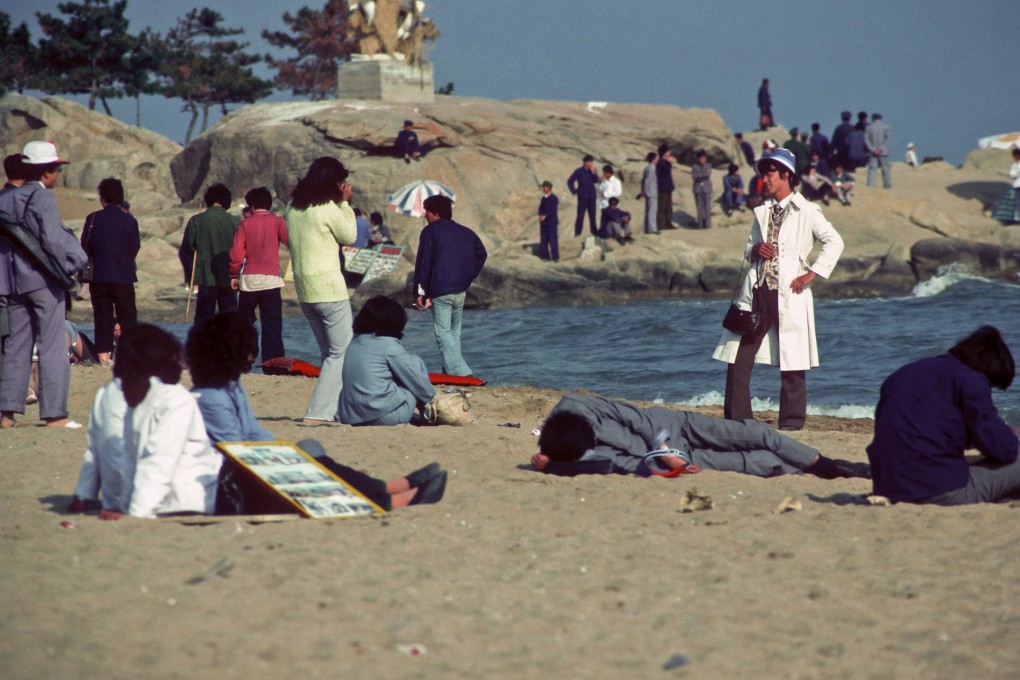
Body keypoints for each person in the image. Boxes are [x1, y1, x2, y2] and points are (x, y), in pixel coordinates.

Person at [186, 312, 446, 509]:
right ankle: (395, 495)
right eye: (247, 350)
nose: (252, 356)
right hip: (233, 486)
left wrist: (289, 454)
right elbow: (240, 452)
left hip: (245, 468)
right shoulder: (210, 399)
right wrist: (291, 462)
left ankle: (386, 488)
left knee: (310, 450)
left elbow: (254, 434)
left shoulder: (228, 386)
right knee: (310, 461)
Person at [713, 148, 844, 431]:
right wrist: (756, 249)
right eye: (762, 174)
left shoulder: (807, 211)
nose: (764, 179)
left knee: (793, 360)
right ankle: (738, 420)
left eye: (769, 173)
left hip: (789, 293)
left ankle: (792, 422)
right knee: (738, 356)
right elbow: (748, 248)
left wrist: (812, 274)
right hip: (757, 291)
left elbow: (834, 242)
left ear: (787, 175)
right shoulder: (761, 212)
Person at [530, 394, 869, 479]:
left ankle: (825, 464)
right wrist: (671, 468)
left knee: (754, 433)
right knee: (756, 465)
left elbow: (634, 419)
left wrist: (665, 450)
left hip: (672, 428)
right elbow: (614, 467)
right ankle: (805, 468)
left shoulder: (576, 405)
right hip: (668, 460)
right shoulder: (568, 452)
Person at [866, 326, 1020, 505]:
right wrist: (1012, 437)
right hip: (938, 491)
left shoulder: (905, 373)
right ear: (989, 369)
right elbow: (1004, 451)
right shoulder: (971, 379)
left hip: (888, 486)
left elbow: (928, 429)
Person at [0, 141, 87, 429]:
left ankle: (6, 415)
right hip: (42, 281)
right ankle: (55, 415)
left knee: (15, 346)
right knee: (51, 345)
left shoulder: (5, 199)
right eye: (56, 169)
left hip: (11, 283)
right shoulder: (43, 198)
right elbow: (52, 241)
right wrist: (73, 265)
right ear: (48, 171)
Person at [95, 324, 221, 519]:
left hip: (186, 501)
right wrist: (122, 505)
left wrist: (135, 513)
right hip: (154, 498)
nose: (124, 386)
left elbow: (159, 462)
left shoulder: (177, 401)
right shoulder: (133, 397)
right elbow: (129, 462)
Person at [286, 156, 358, 424]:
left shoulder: (293, 208)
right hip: (329, 289)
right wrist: (345, 204)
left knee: (329, 353)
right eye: (341, 181)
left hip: (305, 291)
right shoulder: (329, 208)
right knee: (340, 353)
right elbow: (350, 236)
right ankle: (319, 412)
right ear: (334, 183)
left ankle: (335, 409)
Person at [413, 194, 487, 377]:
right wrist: (469, 276)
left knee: (443, 333)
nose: (425, 216)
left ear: (436, 212)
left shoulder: (429, 232)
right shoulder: (466, 232)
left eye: (427, 211)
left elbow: (424, 263)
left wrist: (420, 292)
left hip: (441, 292)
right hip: (461, 290)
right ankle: (450, 373)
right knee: (454, 334)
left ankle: (463, 372)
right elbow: (482, 254)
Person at [338, 296, 436, 426]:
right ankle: (427, 412)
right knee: (415, 363)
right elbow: (415, 379)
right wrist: (431, 399)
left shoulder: (353, 343)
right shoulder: (388, 345)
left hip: (352, 416)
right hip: (384, 417)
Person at [81, 177, 139, 366]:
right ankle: (128, 357)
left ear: (102, 198)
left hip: (99, 278)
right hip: (123, 277)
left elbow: (85, 247)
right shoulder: (129, 221)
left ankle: (104, 359)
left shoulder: (93, 218)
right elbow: (134, 248)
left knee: (102, 318)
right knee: (128, 318)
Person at [229, 186, 289, 362]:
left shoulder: (245, 224)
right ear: (269, 205)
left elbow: (237, 254)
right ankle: (273, 361)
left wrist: (233, 275)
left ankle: (245, 357)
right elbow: (289, 241)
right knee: (272, 326)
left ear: (252, 206)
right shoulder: (277, 222)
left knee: (245, 324)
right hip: (271, 281)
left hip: (249, 281)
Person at [178, 182, 240, 324]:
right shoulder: (235, 221)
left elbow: (186, 248)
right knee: (231, 322)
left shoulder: (196, 220)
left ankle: (203, 346)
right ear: (226, 200)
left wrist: (190, 276)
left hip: (206, 278)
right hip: (229, 279)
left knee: (204, 322)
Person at [567, 154, 599, 236]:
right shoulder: (579, 171)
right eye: (589, 162)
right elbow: (570, 181)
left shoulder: (592, 171)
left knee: (592, 215)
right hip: (582, 197)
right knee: (580, 215)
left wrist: (593, 173)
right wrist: (575, 191)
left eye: (592, 161)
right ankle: (577, 233)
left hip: (592, 196)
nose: (591, 163)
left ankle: (594, 232)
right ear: (585, 162)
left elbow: (596, 180)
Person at [865, 113, 892, 188]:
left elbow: (866, 140)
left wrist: (873, 149)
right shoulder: (885, 126)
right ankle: (887, 185)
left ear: (873, 118)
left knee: (872, 169)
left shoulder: (869, 127)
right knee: (885, 169)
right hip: (883, 152)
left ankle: (870, 185)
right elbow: (887, 139)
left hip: (873, 152)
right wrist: (880, 149)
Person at [537, 180, 559, 262]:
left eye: (544, 187)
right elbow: (540, 208)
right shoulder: (543, 198)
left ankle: (555, 257)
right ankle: (545, 256)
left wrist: (545, 216)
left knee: (553, 240)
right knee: (544, 240)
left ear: (549, 188)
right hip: (543, 223)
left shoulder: (554, 198)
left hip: (552, 223)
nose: (543, 188)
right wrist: (540, 215)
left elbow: (553, 210)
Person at [637, 151, 659, 234]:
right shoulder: (652, 168)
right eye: (656, 158)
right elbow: (647, 181)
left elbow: (644, 181)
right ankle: (652, 229)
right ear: (653, 159)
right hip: (651, 192)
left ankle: (647, 228)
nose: (657, 160)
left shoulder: (647, 167)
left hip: (649, 191)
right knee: (652, 211)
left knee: (648, 211)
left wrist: (643, 191)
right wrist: (645, 191)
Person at [656, 144, 675, 231]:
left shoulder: (664, 161)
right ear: (664, 153)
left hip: (668, 186)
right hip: (662, 187)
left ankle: (668, 223)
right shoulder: (660, 161)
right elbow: (667, 169)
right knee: (662, 206)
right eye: (667, 151)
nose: (669, 153)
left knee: (669, 206)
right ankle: (660, 224)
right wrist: (669, 162)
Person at [691, 150, 713, 229]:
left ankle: (707, 225)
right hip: (698, 189)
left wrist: (701, 175)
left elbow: (707, 175)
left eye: (704, 158)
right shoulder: (694, 167)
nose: (702, 160)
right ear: (698, 159)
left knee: (707, 208)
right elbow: (695, 177)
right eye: (701, 158)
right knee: (699, 209)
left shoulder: (708, 165)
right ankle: (700, 225)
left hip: (707, 189)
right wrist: (702, 175)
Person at [1011, 147, 1020, 222]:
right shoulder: (1014, 165)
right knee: (1018, 202)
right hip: (1017, 185)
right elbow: (1012, 174)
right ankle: (1017, 218)